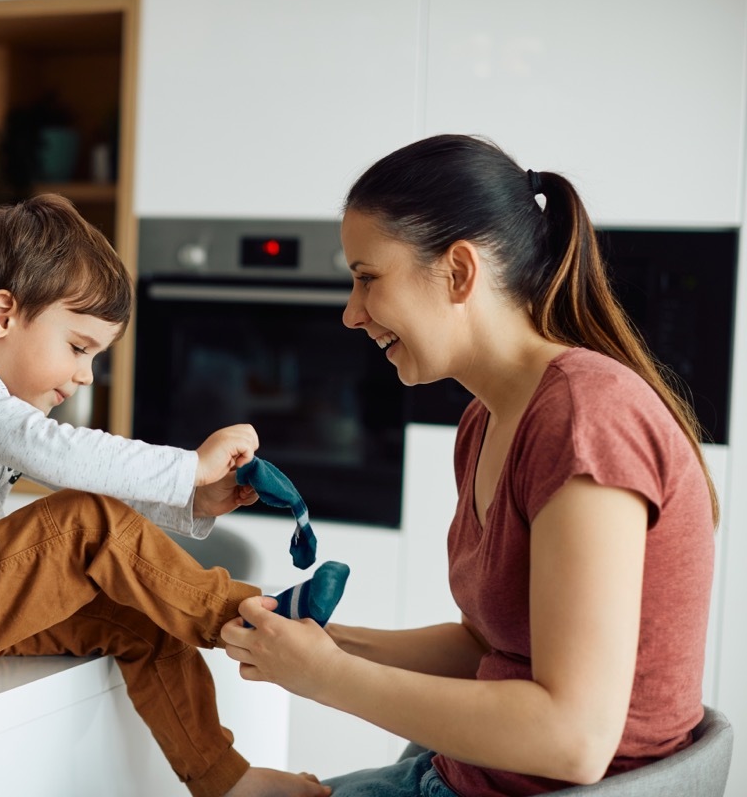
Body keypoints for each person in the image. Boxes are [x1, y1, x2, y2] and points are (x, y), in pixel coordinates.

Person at [221, 135, 718, 797]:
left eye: (368, 277)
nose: (351, 312)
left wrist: (325, 677)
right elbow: (489, 650)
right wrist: (321, 644)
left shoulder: (584, 418)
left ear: (458, 270)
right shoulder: (487, 420)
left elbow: (574, 741)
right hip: (462, 774)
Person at [0, 193, 341, 797]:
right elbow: (62, 457)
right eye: (78, 347)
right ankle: (252, 617)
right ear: (2, 315)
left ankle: (224, 779)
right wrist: (189, 468)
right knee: (83, 521)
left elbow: (78, 472)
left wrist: (192, 501)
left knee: (144, 617)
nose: (85, 375)